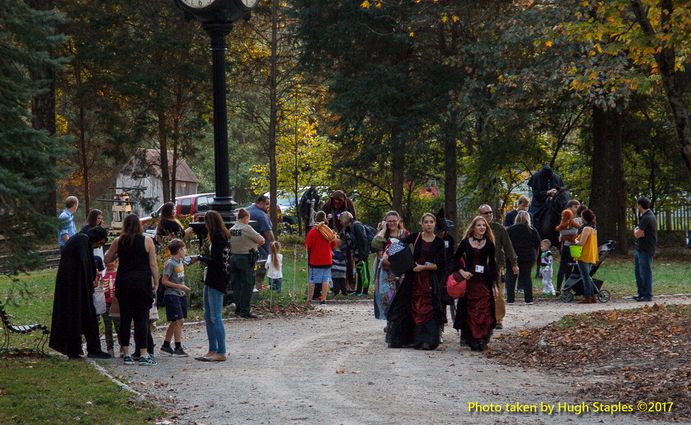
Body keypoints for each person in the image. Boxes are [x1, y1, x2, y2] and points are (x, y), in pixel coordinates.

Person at [385, 213, 446, 350]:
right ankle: (409, 338)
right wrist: (387, 255)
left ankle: (426, 339)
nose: (429, 224)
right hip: (413, 278)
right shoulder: (416, 236)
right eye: (426, 222)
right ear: (422, 223)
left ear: (435, 224)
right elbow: (397, 245)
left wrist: (423, 267)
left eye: (431, 222)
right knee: (407, 306)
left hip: (429, 280)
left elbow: (440, 265)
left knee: (429, 309)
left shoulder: (439, 242)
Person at [104, 214, 159, 366]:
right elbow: (153, 265)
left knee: (125, 318)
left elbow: (107, 259)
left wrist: (117, 253)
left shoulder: (118, 241)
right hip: (142, 283)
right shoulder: (147, 241)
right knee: (142, 318)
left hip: (124, 282)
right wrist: (156, 281)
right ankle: (143, 354)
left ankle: (126, 353)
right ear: (139, 225)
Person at [49, 226, 111, 359]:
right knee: (82, 317)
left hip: (75, 288)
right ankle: (86, 349)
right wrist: (91, 280)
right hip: (76, 289)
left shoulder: (80, 240)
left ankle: (82, 349)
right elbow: (84, 265)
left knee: (82, 318)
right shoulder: (82, 241)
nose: (98, 247)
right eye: (100, 243)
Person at [452, 216, 498, 352]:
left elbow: (493, 265)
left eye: (484, 225)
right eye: (479, 225)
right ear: (473, 227)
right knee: (470, 309)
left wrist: (495, 284)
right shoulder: (465, 243)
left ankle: (482, 339)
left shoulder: (489, 244)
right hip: (469, 281)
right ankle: (472, 339)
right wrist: (462, 272)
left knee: (484, 309)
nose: (482, 227)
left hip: (484, 281)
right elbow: (454, 260)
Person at [196, 210, 233, 362]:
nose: (204, 225)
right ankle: (212, 349)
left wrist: (199, 258)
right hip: (211, 278)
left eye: (205, 222)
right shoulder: (220, 236)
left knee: (215, 316)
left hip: (216, 278)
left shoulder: (219, 237)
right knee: (208, 315)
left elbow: (217, 261)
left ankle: (221, 350)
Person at [478, 204, 517, 330]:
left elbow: (508, 246)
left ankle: (498, 319)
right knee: (481, 293)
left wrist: (514, 263)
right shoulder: (475, 229)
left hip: (497, 265)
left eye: (490, 212)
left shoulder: (499, 229)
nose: (489, 214)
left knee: (498, 294)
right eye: (486, 213)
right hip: (480, 266)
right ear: (480, 215)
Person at [161, 239, 197, 357]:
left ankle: (166, 345)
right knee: (179, 320)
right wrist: (180, 286)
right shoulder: (170, 263)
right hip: (172, 294)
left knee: (175, 321)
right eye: (184, 248)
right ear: (179, 250)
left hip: (180, 294)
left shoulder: (180, 261)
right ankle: (178, 347)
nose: (185, 250)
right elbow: (164, 281)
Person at [227, 208, 265, 319]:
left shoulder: (232, 229)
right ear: (245, 218)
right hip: (245, 259)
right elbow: (261, 240)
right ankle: (245, 310)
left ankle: (238, 309)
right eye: (248, 218)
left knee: (236, 285)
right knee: (248, 284)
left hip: (233, 258)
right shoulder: (246, 228)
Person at [372, 211, 408, 320]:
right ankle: (389, 320)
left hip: (401, 269)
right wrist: (383, 229)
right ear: (385, 222)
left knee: (401, 296)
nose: (392, 223)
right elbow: (374, 246)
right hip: (385, 270)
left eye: (394, 221)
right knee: (387, 296)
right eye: (389, 221)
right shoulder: (383, 234)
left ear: (398, 221)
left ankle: (398, 321)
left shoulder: (404, 234)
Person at [322, 190, 357, 291]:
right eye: (335, 201)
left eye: (339, 202)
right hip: (332, 237)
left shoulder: (349, 204)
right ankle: (334, 285)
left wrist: (349, 234)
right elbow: (321, 220)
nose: (337, 204)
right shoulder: (327, 205)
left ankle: (349, 285)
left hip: (346, 236)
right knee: (333, 261)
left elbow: (353, 220)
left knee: (348, 261)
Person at [507, 211, 541, 304]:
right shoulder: (532, 230)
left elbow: (506, 244)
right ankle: (528, 299)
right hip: (528, 257)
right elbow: (537, 244)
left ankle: (510, 299)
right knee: (526, 277)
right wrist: (535, 257)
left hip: (513, 257)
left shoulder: (510, 230)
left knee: (511, 277)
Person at [305, 211, 336, 305]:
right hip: (327, 259)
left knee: (312, 279)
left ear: (315, 219)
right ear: (325, 218)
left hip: (315, 260)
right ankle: (323, 300)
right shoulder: (327, 230)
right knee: (325, 279)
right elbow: (333, 243)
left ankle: (309, 299)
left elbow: (308, 245)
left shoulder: (312, 231)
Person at [247, 195, 275, 289]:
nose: (268, 206)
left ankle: (251, 287)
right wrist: (275, 244)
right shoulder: (261, 215)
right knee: (261, 268)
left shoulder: (248, 210)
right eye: (267, 204)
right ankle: (259, 288)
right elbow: (268, 233)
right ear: (261, 203)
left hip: (248, 246)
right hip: (262, 248)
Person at [340, 211, 370, 296]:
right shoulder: (347, 228)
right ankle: (358, 290)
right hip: (355, 253)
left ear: (345, 219)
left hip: (362, 253)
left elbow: (363, 240)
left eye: (341, 220)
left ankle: (365, 291)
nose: (340, 222)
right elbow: (349, 243)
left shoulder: (357, 226)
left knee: (364, 271)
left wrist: (363, 255)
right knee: (358, 271)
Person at [633, 197, 657, 302]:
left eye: (637, 204)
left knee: (645, 272)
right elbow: (640, 232)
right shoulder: (646, 216)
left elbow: (638, 233)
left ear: (640, 205)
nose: (636, 206)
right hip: (640, 248)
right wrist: (638, 230)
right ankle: (641, 293)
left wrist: (635, 230)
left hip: (646, 248)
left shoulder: (647, 217)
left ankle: (647, 295)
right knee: (638, 272)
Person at [572, 209, 598, 304]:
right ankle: (592, 296)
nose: (581, 218)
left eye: (582, 216)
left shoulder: (586, 229)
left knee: (585, 277)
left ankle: (588, 297)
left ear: (585, 217)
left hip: (584, 255)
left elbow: (581, 243)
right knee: (588, 277)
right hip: (591, 255)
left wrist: (575, 241)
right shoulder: (593, 229)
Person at [555, 206, 580, 294]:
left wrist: (564, 237)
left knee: (562, 268)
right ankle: (567, 288)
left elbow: (560, 236)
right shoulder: (575, 222)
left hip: (565, 247)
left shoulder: (562, 224)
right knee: (570, 268)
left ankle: (558, 288)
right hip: (573, 248)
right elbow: (578, 229)